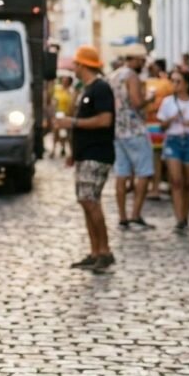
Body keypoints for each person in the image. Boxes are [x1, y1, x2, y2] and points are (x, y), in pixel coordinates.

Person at [54, 45, 115, 272]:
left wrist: (73, 123)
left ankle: (105, 251)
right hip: (85, 153)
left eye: (76, 64)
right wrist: (73, 152)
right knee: (85, 201)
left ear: (83, 65)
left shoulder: (100, 89)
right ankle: (95, 251)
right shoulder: (86, 89)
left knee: (91, 201)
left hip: (97, 153)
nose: (74, 68)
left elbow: (105, 120)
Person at [108, 44, 156, 230]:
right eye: (142, 60)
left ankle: (122, 217)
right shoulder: (132, 76)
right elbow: (137, 102)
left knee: (122, 174)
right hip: (134, 130)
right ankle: (135, 214)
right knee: (144, 172)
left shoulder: (113, 76)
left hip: (118, 131)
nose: (143, 64)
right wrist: (149, 98)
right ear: (135, 60)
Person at [157, 70, 189, 233]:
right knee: (176, 181)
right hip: (173, 141)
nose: (174, 84)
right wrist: (170, 120)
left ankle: (185, 217)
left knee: (188, 183)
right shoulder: (167, 102)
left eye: (178, 81)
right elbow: (161, 126)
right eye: (172, 81)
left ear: (187, 83)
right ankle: (179, 219)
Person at [144, 59, 173, 201]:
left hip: (159, 124)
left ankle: (156, 187)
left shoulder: (165, 83)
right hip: (147, 123)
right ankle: (154, 186)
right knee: (153, 157)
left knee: (157, 157)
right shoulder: (145, 82)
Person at [51, 73, 74, 158]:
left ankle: (64, 148)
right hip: (58, 113)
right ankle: (54, 149)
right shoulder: (57, 89)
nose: (64, 81)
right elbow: (53, 99)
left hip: (67, 114)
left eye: (66, 79)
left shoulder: (71, 91)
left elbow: (72, 103)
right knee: (56, 132)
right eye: (63, 79)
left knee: (66, 133)